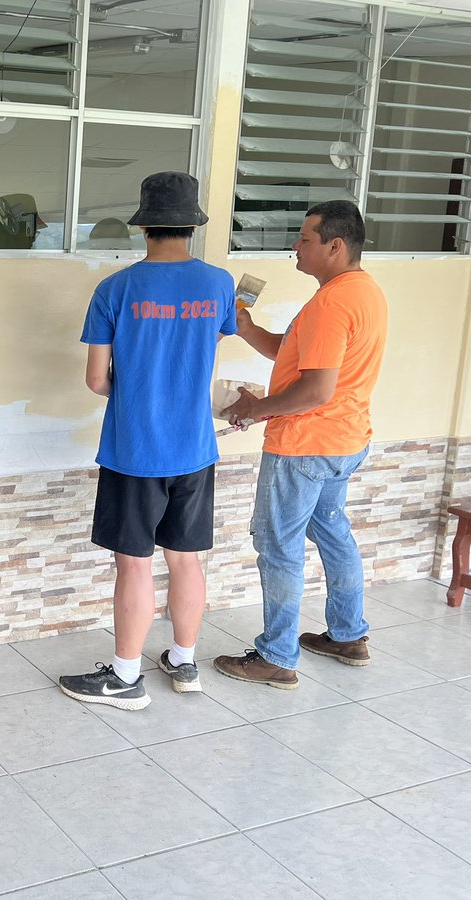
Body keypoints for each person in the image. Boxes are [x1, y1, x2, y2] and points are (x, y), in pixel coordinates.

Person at [58, 172, 236, 710]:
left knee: (133, 563)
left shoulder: (116, 289)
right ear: (191, 226)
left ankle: (126, 676)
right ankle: (184, 662)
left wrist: (135, 396)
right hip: (196, 448)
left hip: (135, 449)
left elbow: (95, 379)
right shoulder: (218, 284)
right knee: (186, 559)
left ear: (145, 228)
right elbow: (214, 342)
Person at [214, 200, 387, 688]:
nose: (296, 245)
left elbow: (314, 390)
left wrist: (254, 408)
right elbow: (297, 358)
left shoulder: (331, 304)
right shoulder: (363, 292)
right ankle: (349, 635)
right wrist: (246, 329)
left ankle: (276, 656)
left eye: (305, 238)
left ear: (335, 245)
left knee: (278, 544)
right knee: (332, 532)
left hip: (306, 445)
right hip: (345, 439)